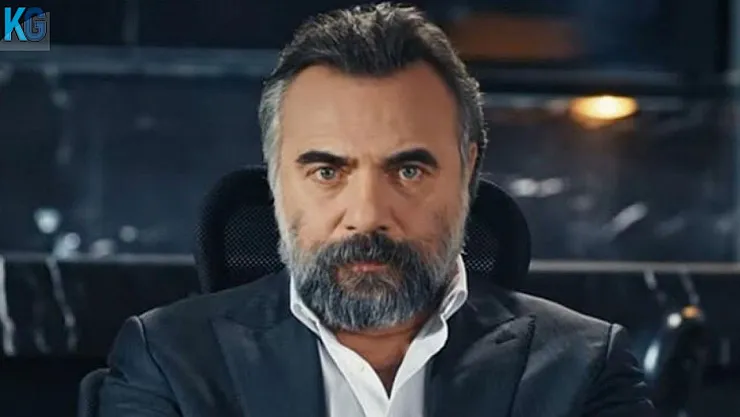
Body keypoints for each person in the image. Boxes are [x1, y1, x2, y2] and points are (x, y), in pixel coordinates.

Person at [99, 3, 654, 416]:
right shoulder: (168, 362)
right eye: (327, 172)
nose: (366, 216)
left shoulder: (585, 368)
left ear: (468, 170)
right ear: (276, 179)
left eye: (408, 171)